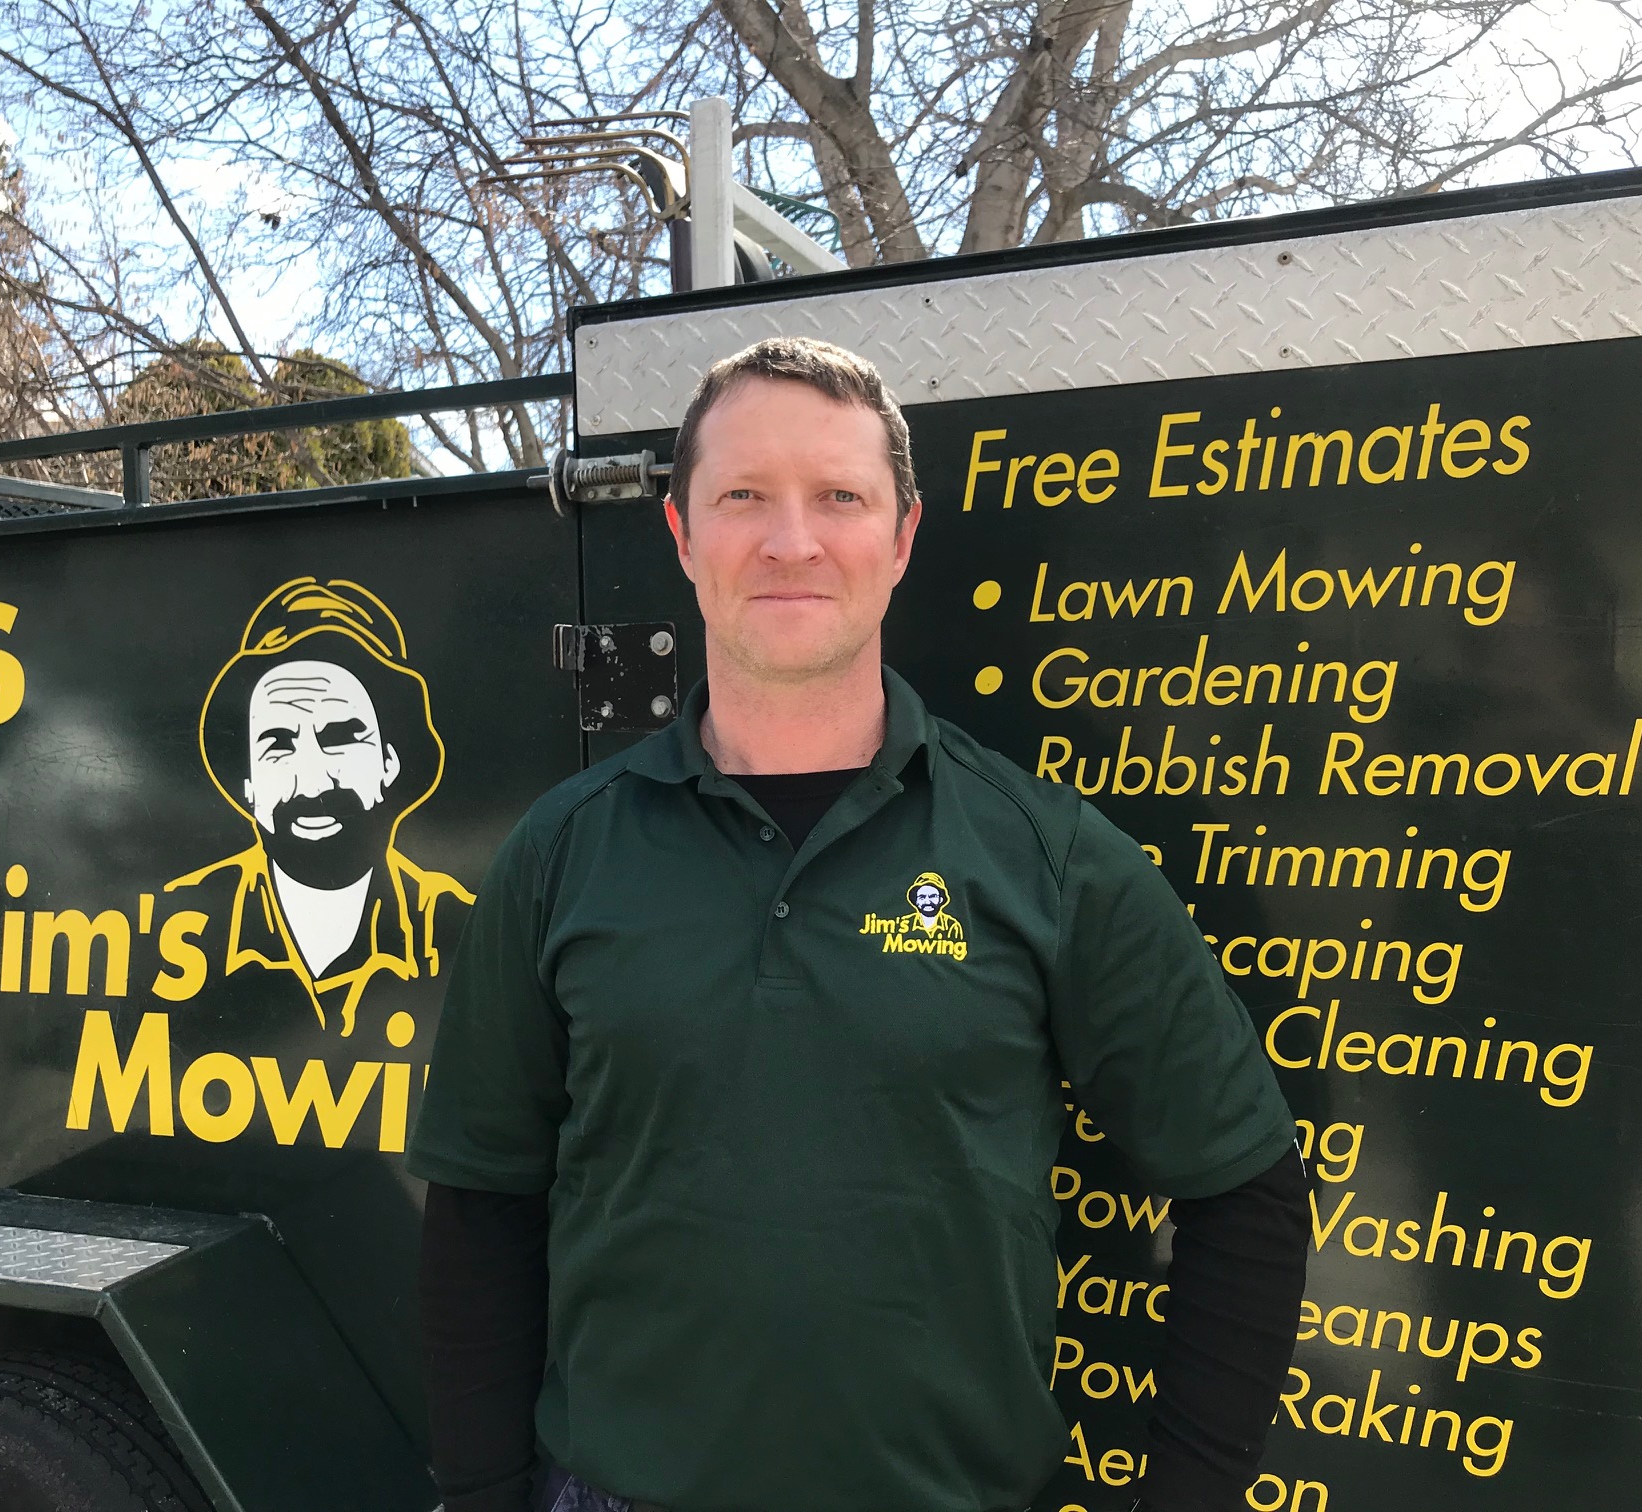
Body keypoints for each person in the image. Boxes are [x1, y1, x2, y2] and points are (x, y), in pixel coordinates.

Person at [410, 339, 1310, 1512]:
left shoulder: (1045, 855)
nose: (793, 540)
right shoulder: (562, 851)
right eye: (743, 497)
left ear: (902, 538)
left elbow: (1246, 1186)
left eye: (840, 496)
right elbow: (482, 1208)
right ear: (681, 536)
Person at [169, 576, 471, 1038]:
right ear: (248, 784)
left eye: (341, 738)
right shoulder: (183, 921)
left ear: (389, 763)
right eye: (278, 745)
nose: (311, 782)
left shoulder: (462, 929)